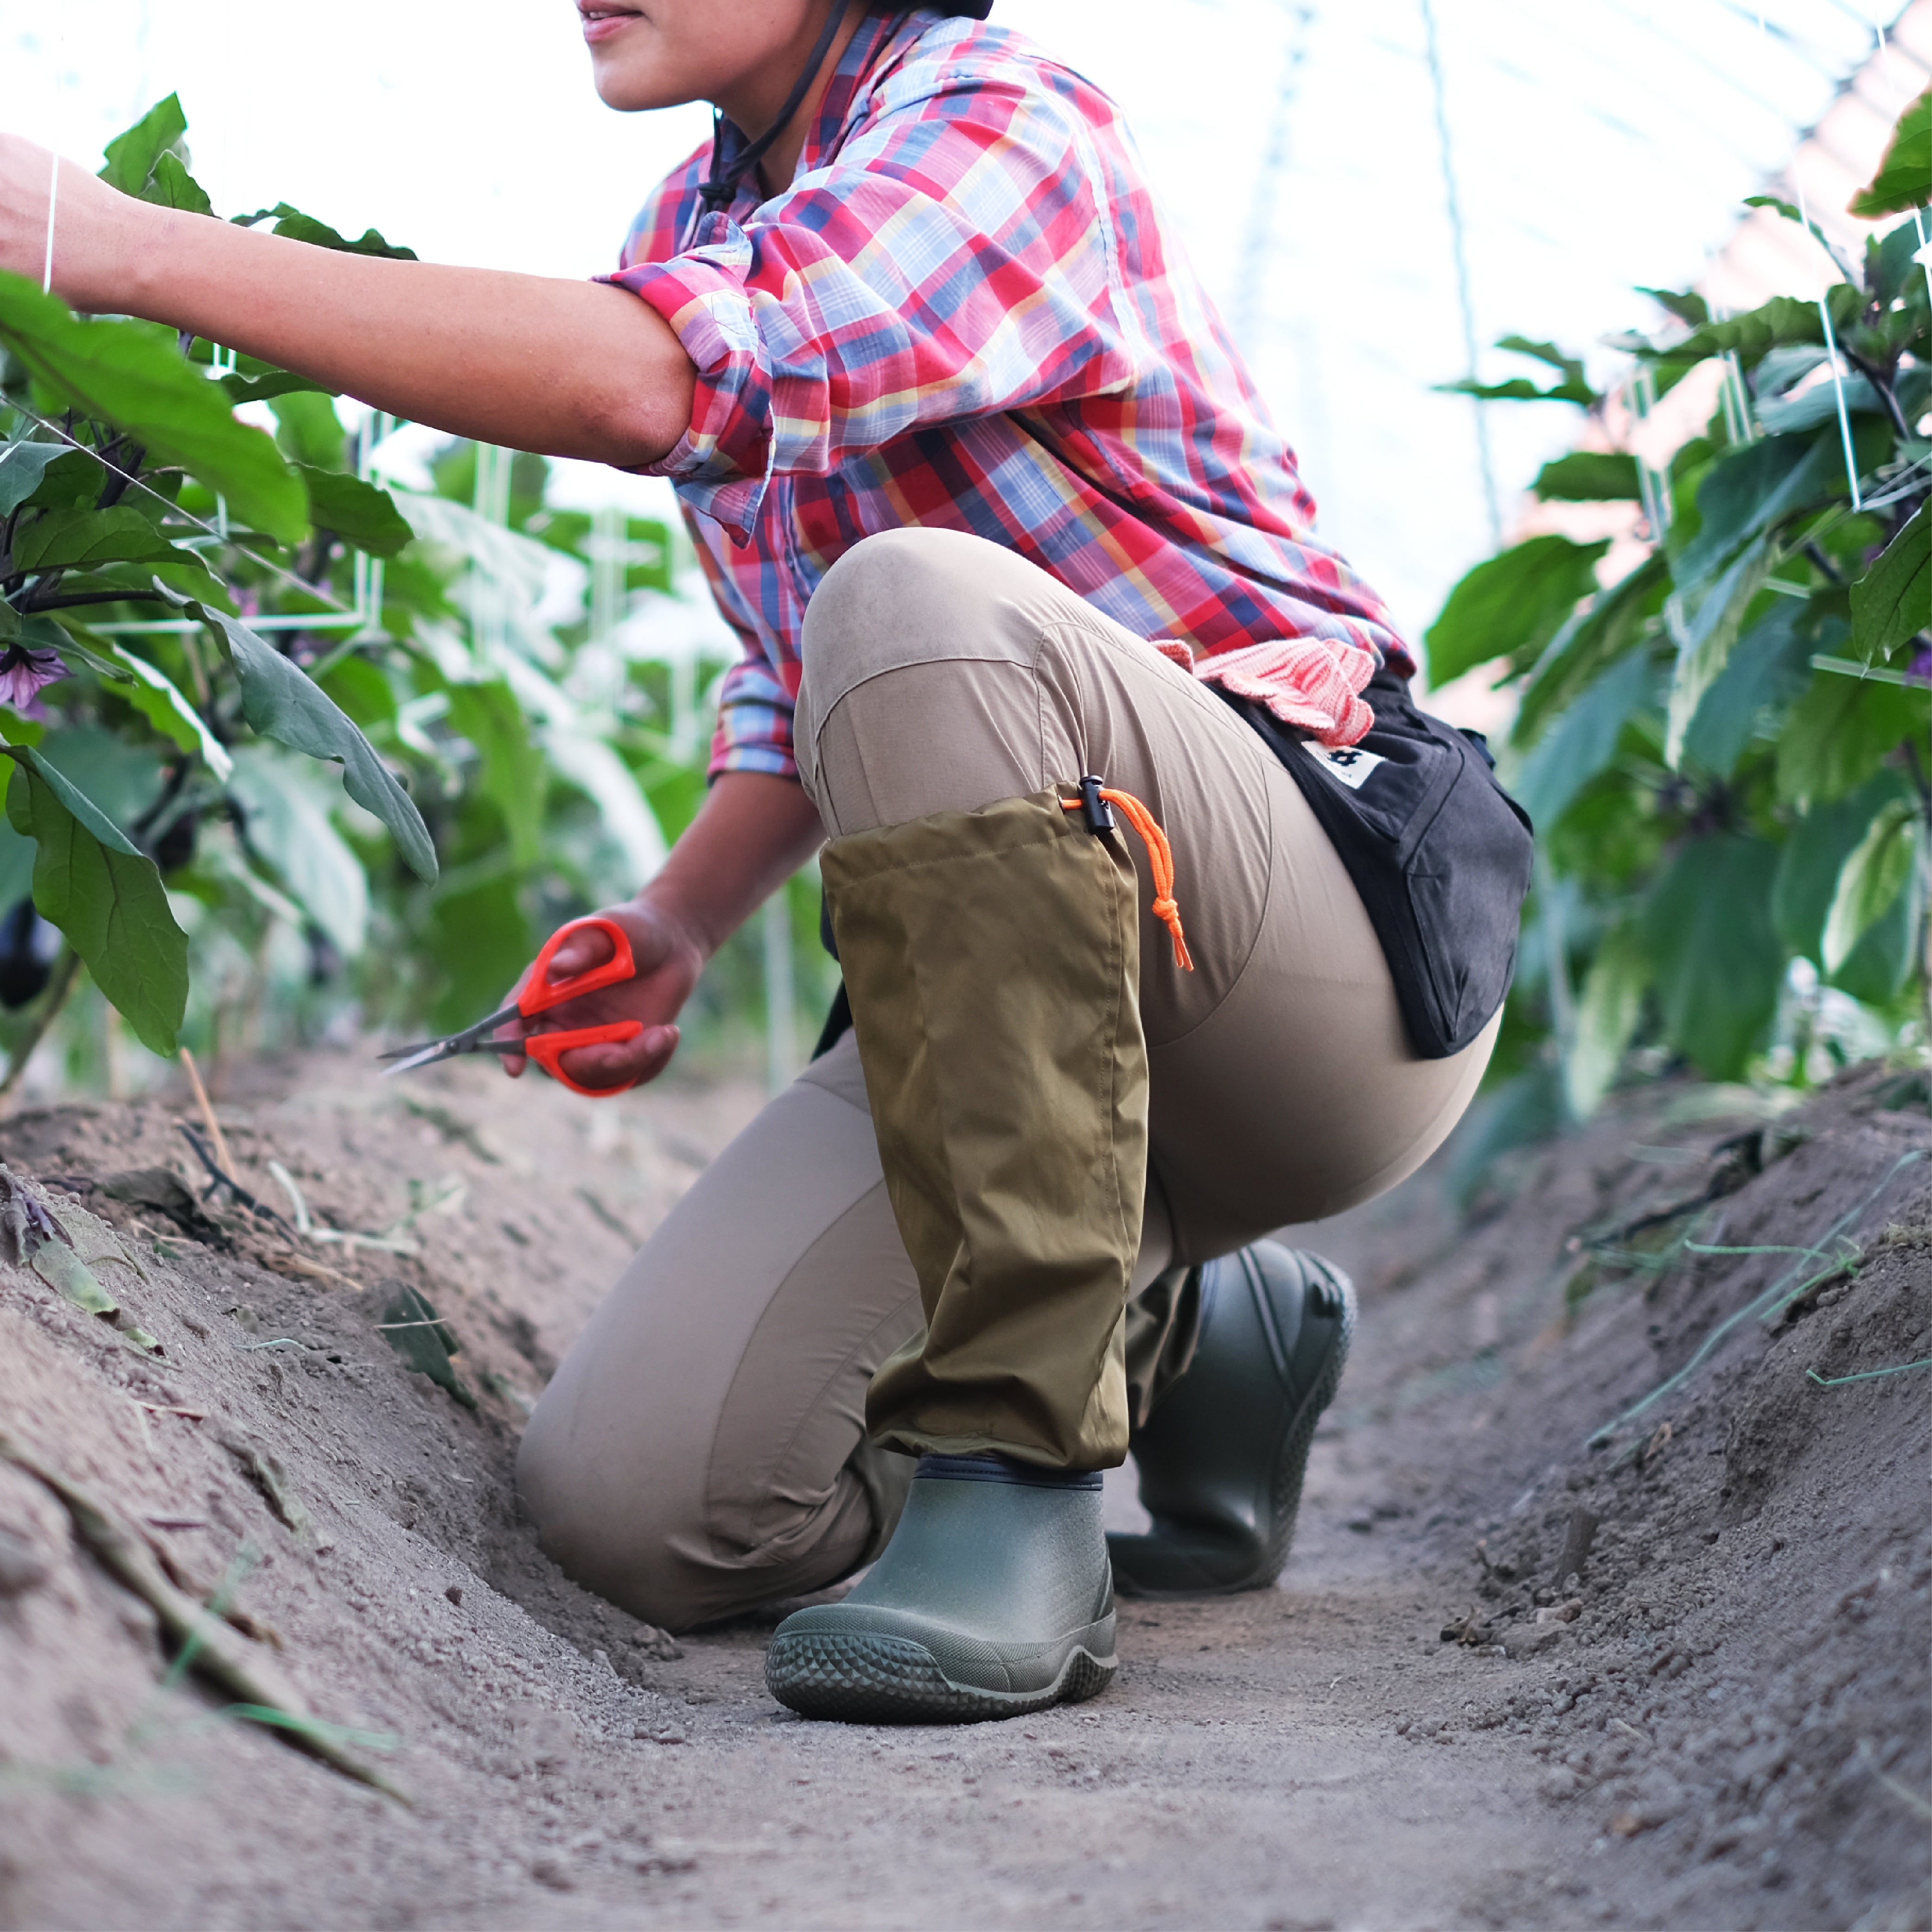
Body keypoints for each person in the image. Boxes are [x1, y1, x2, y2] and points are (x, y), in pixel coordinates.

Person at [0, 0, 1527, 1725]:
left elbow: (681, 388)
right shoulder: (685, 229)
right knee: (644, 1513)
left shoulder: (1002, 120)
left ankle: (1019, 1477)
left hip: (1308, 954)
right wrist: (677, 919)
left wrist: (116, 250)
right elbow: (783, 651)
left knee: (915, 591)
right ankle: (1198, 1330)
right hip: (1034, 1031)